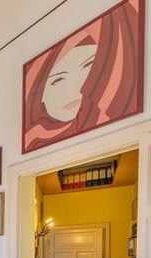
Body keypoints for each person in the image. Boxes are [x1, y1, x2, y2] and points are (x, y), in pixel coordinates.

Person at [23, 0, 142, 153]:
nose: (77, 89)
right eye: (58, 80)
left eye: (88, 65)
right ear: (40, 96)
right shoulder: (38, 137)